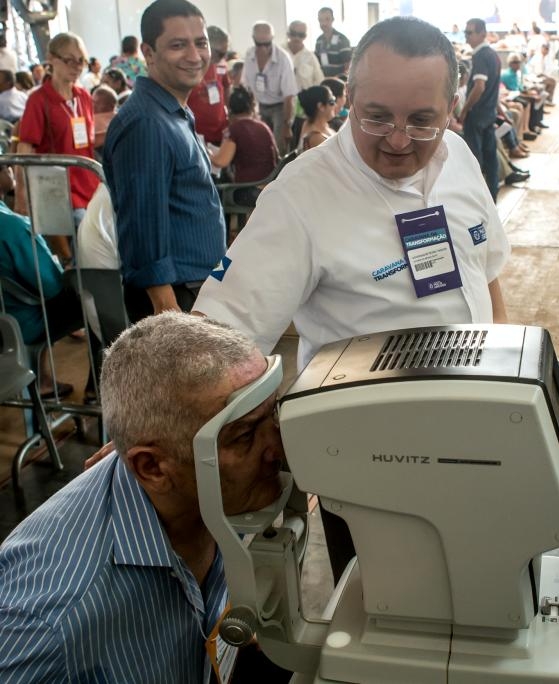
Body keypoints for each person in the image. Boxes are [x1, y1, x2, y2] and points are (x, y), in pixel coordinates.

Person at [192, 16, 510, 581]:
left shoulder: (458, 157)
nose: (396, 141)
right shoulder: (301, 196)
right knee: (385, 613)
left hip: (474, 443)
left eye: (421, 121)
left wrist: (513, 391)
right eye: (377, 117)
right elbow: (219, 331)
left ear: (451, 106)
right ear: (348, 98)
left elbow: (488, 277)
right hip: (370, 463)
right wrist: (165, 425)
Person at [0, 313, 285, 683]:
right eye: (245, 435)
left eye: (273, 413)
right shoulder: (48, 619)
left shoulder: (212, 485)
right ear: (152, 467)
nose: (277, 448)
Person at [103, 0, 226, 323]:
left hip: (194, 287)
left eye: (201, 43)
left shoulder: (173, 112)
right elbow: (143, 224)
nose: (194, 55)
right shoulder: (146, 123)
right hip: (174, 297)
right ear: (149, 52)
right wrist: (168, 312)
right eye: (177, 45)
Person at [14, 32, 101, 262]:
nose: (76, 66)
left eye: (81, 60)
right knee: (83, 248)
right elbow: (25, 148)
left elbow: (88, 142)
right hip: (58, 187)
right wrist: (22, 196)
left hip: (88, 182)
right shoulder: (38, 99)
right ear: (51, 58)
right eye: (69, 60)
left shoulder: (84, 97)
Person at [0, 166, 82, 398]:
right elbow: (51, 285)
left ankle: (43, 378)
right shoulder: (12, 226)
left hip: (7, 317)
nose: (11, 171)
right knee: (93, 301)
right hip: (20, 324)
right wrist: (67, 265)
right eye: (5, 168)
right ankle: (97, 393)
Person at [209, 85, 279, 204]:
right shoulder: (263, 126)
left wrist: (206, 152)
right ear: (252, 106)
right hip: (269, 186)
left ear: (230, 108)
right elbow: (276, 156)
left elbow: (221, 161)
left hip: (248, 189)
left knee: (217, 188)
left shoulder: (235, 130)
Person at [458, 17, 501, 200]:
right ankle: (491, 194)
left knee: (475, 159)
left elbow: (480, 86)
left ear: (482, 33)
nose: (466, 36)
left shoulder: (481, 55)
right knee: (491, 157)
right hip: (489, 113)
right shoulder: (492, 55)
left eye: (470, 32)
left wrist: (465, 109)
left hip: (477, 114)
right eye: (465, 32)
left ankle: (478, 198)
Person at [242, 21, 298, 153]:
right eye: (258, 44)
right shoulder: (249, 55)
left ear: (272, 39)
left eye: (266, 44)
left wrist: (287, 125)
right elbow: (247, 87)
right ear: (253, 39)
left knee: (279, 145)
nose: (262, 48)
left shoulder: (283, 58)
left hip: (280, 106)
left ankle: (280, 171)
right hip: (259, 105)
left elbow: (289, 96)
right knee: (260, 143)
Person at [187, 25, 231, 146]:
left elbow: (227, 86)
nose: (223, 57)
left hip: (220, 131)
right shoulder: (191, 66)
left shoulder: (221, 65)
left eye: (225, 53)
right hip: (196, 134)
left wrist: (230, 112)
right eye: (221, 53)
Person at [286, 20, 324, 91]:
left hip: (304, 99)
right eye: (293, 34)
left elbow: (319, 81)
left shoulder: (311, 57)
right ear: (288, 34)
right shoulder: (279, 54)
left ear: (305, 36)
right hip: (281, 100)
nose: (297, 38)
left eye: (301, 35)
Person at [315, 6, 352, 78]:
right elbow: (317, 64)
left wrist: (339, 80)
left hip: (339, 83)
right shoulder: (319, 40)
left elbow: (348, 65)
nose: (324, 23)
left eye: (327, 19)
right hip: (323, 81)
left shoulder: (342, 39)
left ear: (333, 20)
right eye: (320, 20)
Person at [297, 84, 335, 151]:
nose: (335, 105)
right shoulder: (315, 138)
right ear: (321, 106)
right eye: (332, 101)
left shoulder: (312, 124)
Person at [90, 84, 117, 154]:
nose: (92, 105)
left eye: (96, 103)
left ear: (111, 106)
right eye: (92, 102)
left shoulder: (98, 119)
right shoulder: (119, 119)